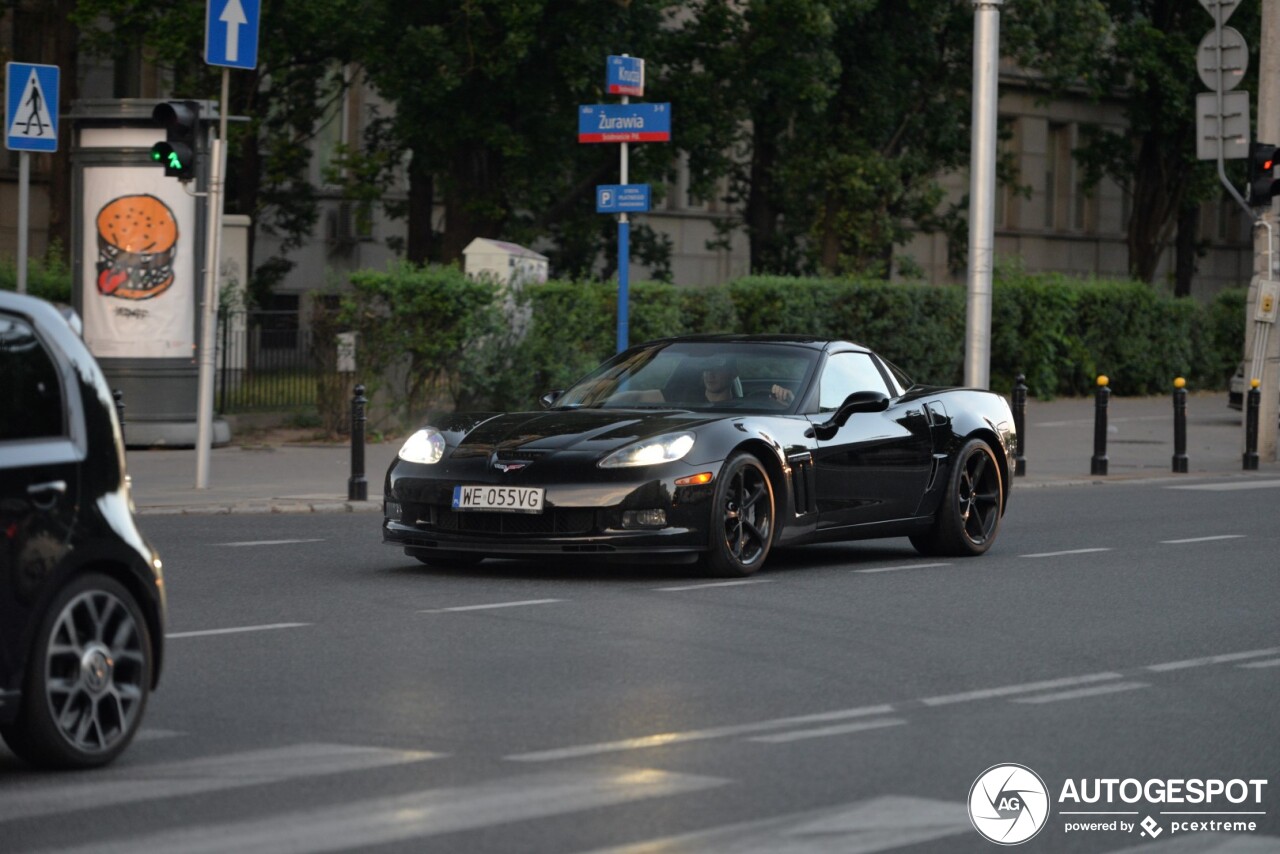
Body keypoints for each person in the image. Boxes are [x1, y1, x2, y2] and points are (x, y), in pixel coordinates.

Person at [701, 355, 794, 405]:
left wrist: (785, 398)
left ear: (734, 373)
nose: (710, 374)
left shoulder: (749, 408)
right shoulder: (689, 405)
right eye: (706, 368)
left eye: (718, 369)